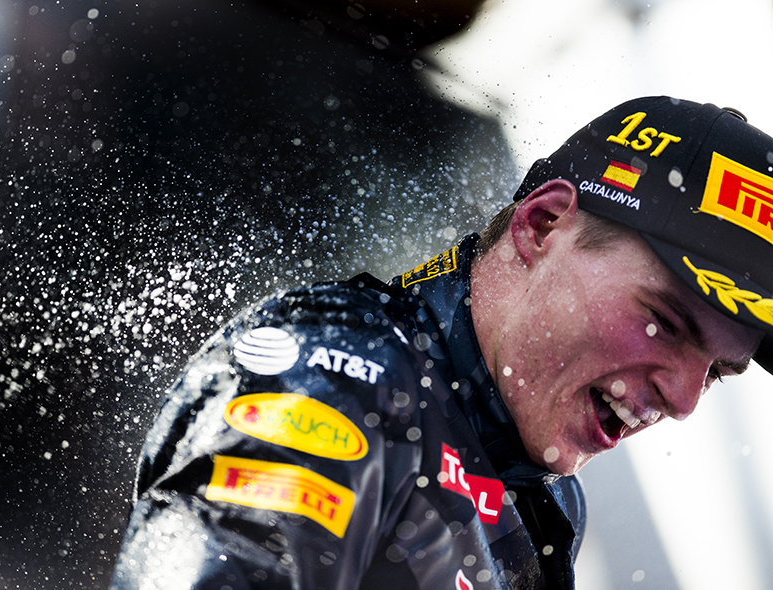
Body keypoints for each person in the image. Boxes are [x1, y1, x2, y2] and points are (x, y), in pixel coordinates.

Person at [109, 96, 773, 590]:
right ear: (541, 225)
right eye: (668, 319)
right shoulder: (344, 375)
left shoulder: (544, 496)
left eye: (718, 370)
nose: (685, 399)